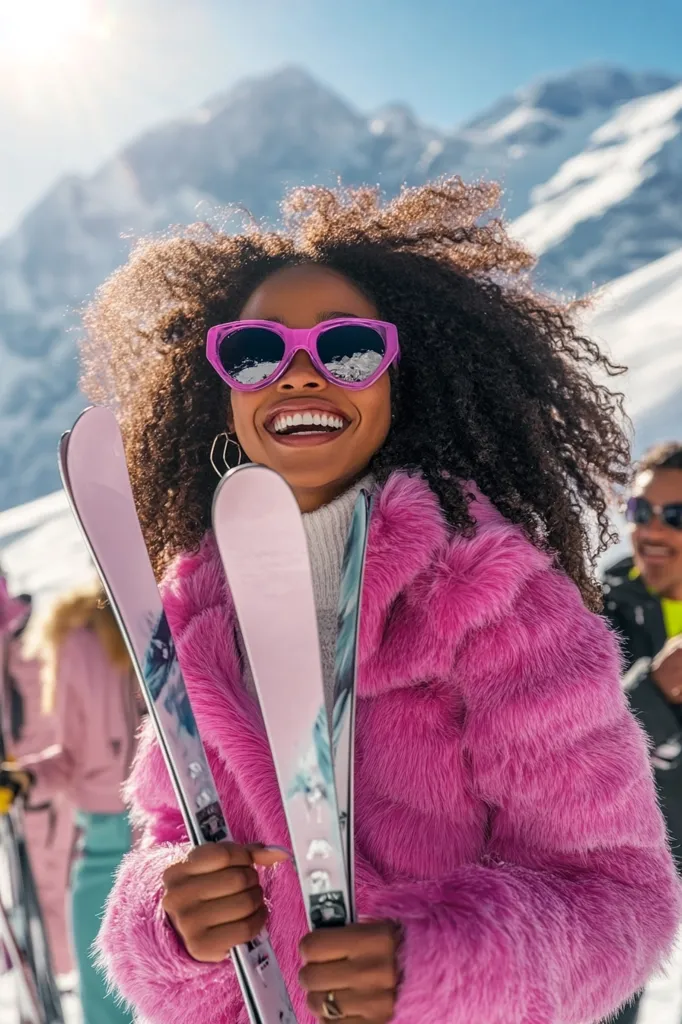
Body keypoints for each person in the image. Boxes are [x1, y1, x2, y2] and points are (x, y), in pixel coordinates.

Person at [84, 178, 680, 1024]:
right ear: (221, 386)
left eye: (350, 349)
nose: (299, 376)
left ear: (405, 378)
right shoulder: (196, 614)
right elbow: (168, 839)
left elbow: (619, 897)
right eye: (255, 352)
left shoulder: (496, 604)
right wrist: (170, 922)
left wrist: (435, 967)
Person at [12, 580, 141, 1024]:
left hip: (170, 831)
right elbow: (67, 753)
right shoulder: (75, 637)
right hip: (100, 847)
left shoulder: (166, 613)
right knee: (103, 995)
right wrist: (26, 779)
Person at [603, 441, 682, 1024]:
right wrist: (654, 693)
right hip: (623, 870)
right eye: (640, 511)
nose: (652, 530)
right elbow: (579, 741)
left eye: (675, 516)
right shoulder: (599, 606)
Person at [1, 586, 75, 981]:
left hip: (34, 794)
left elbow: (51, 735)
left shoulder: (30, 651)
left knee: (48, 883)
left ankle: (48, 968)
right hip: (29, 793)